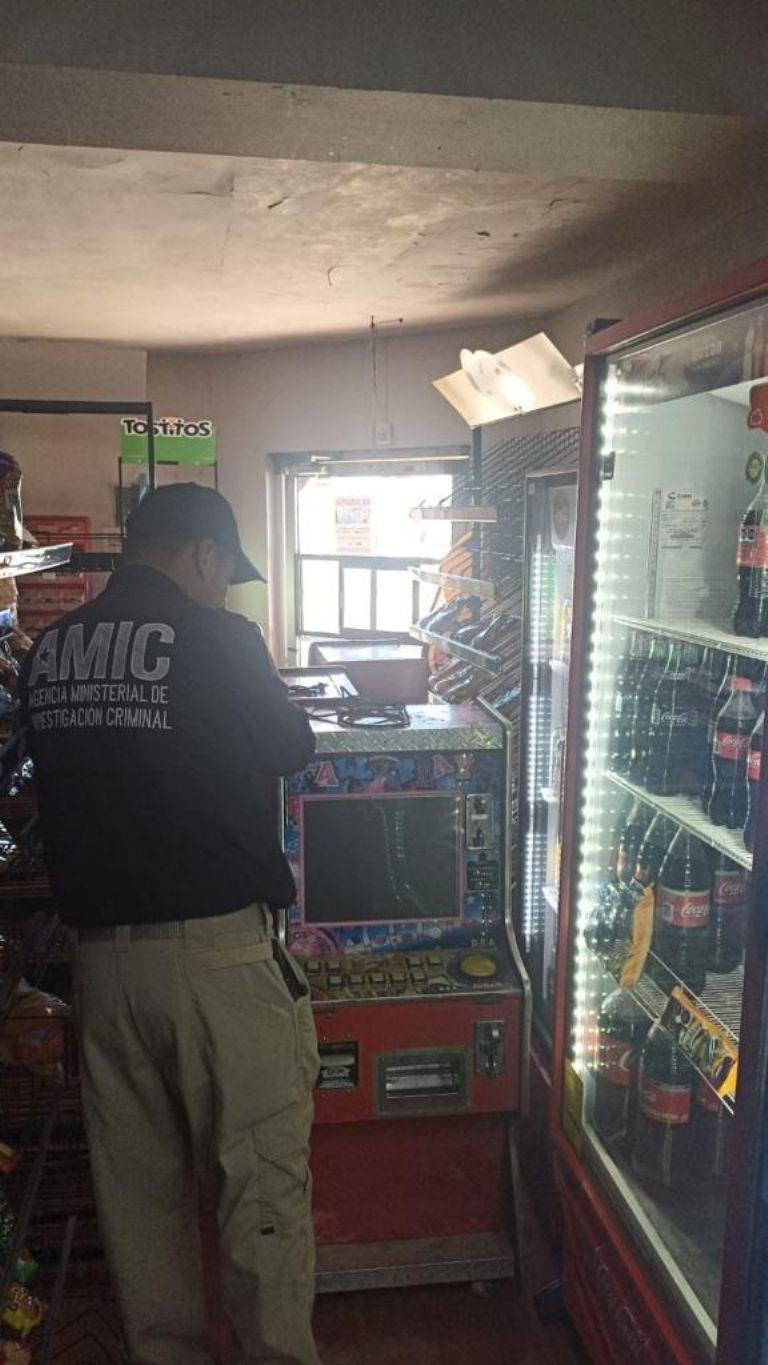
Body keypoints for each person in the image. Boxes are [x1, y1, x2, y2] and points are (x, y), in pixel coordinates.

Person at [18, 484, 321, 1365]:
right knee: (259, 1193)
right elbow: (291, 747)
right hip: (217, 959)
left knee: (140, 1208)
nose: (223, 589)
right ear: (203, 555)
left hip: (102, 972)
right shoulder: (220, 639)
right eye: (224, 572)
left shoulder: (51, 651)